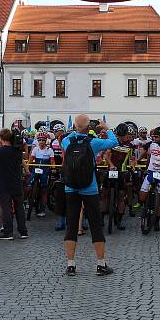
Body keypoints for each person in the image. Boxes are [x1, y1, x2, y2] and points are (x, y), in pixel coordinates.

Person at [61, 114, 119, 276]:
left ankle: (71, 265)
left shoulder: (67, 142)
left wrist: (77, 129)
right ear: (89, 128)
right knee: (95, 225)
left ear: (75, 128)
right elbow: (114, 142)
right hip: (90, 187)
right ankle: (101, 264)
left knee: (71, 225)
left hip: (70, 188)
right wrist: (105, 127)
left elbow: (69, 136)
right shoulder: (94, 143)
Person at [0, 128, 28, 240]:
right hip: (16, 181)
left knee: (6, 208)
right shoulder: (17, 151)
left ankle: (8, 232)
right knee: (19, 207)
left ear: (1, 138)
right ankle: (23, 231)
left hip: (3, 182)